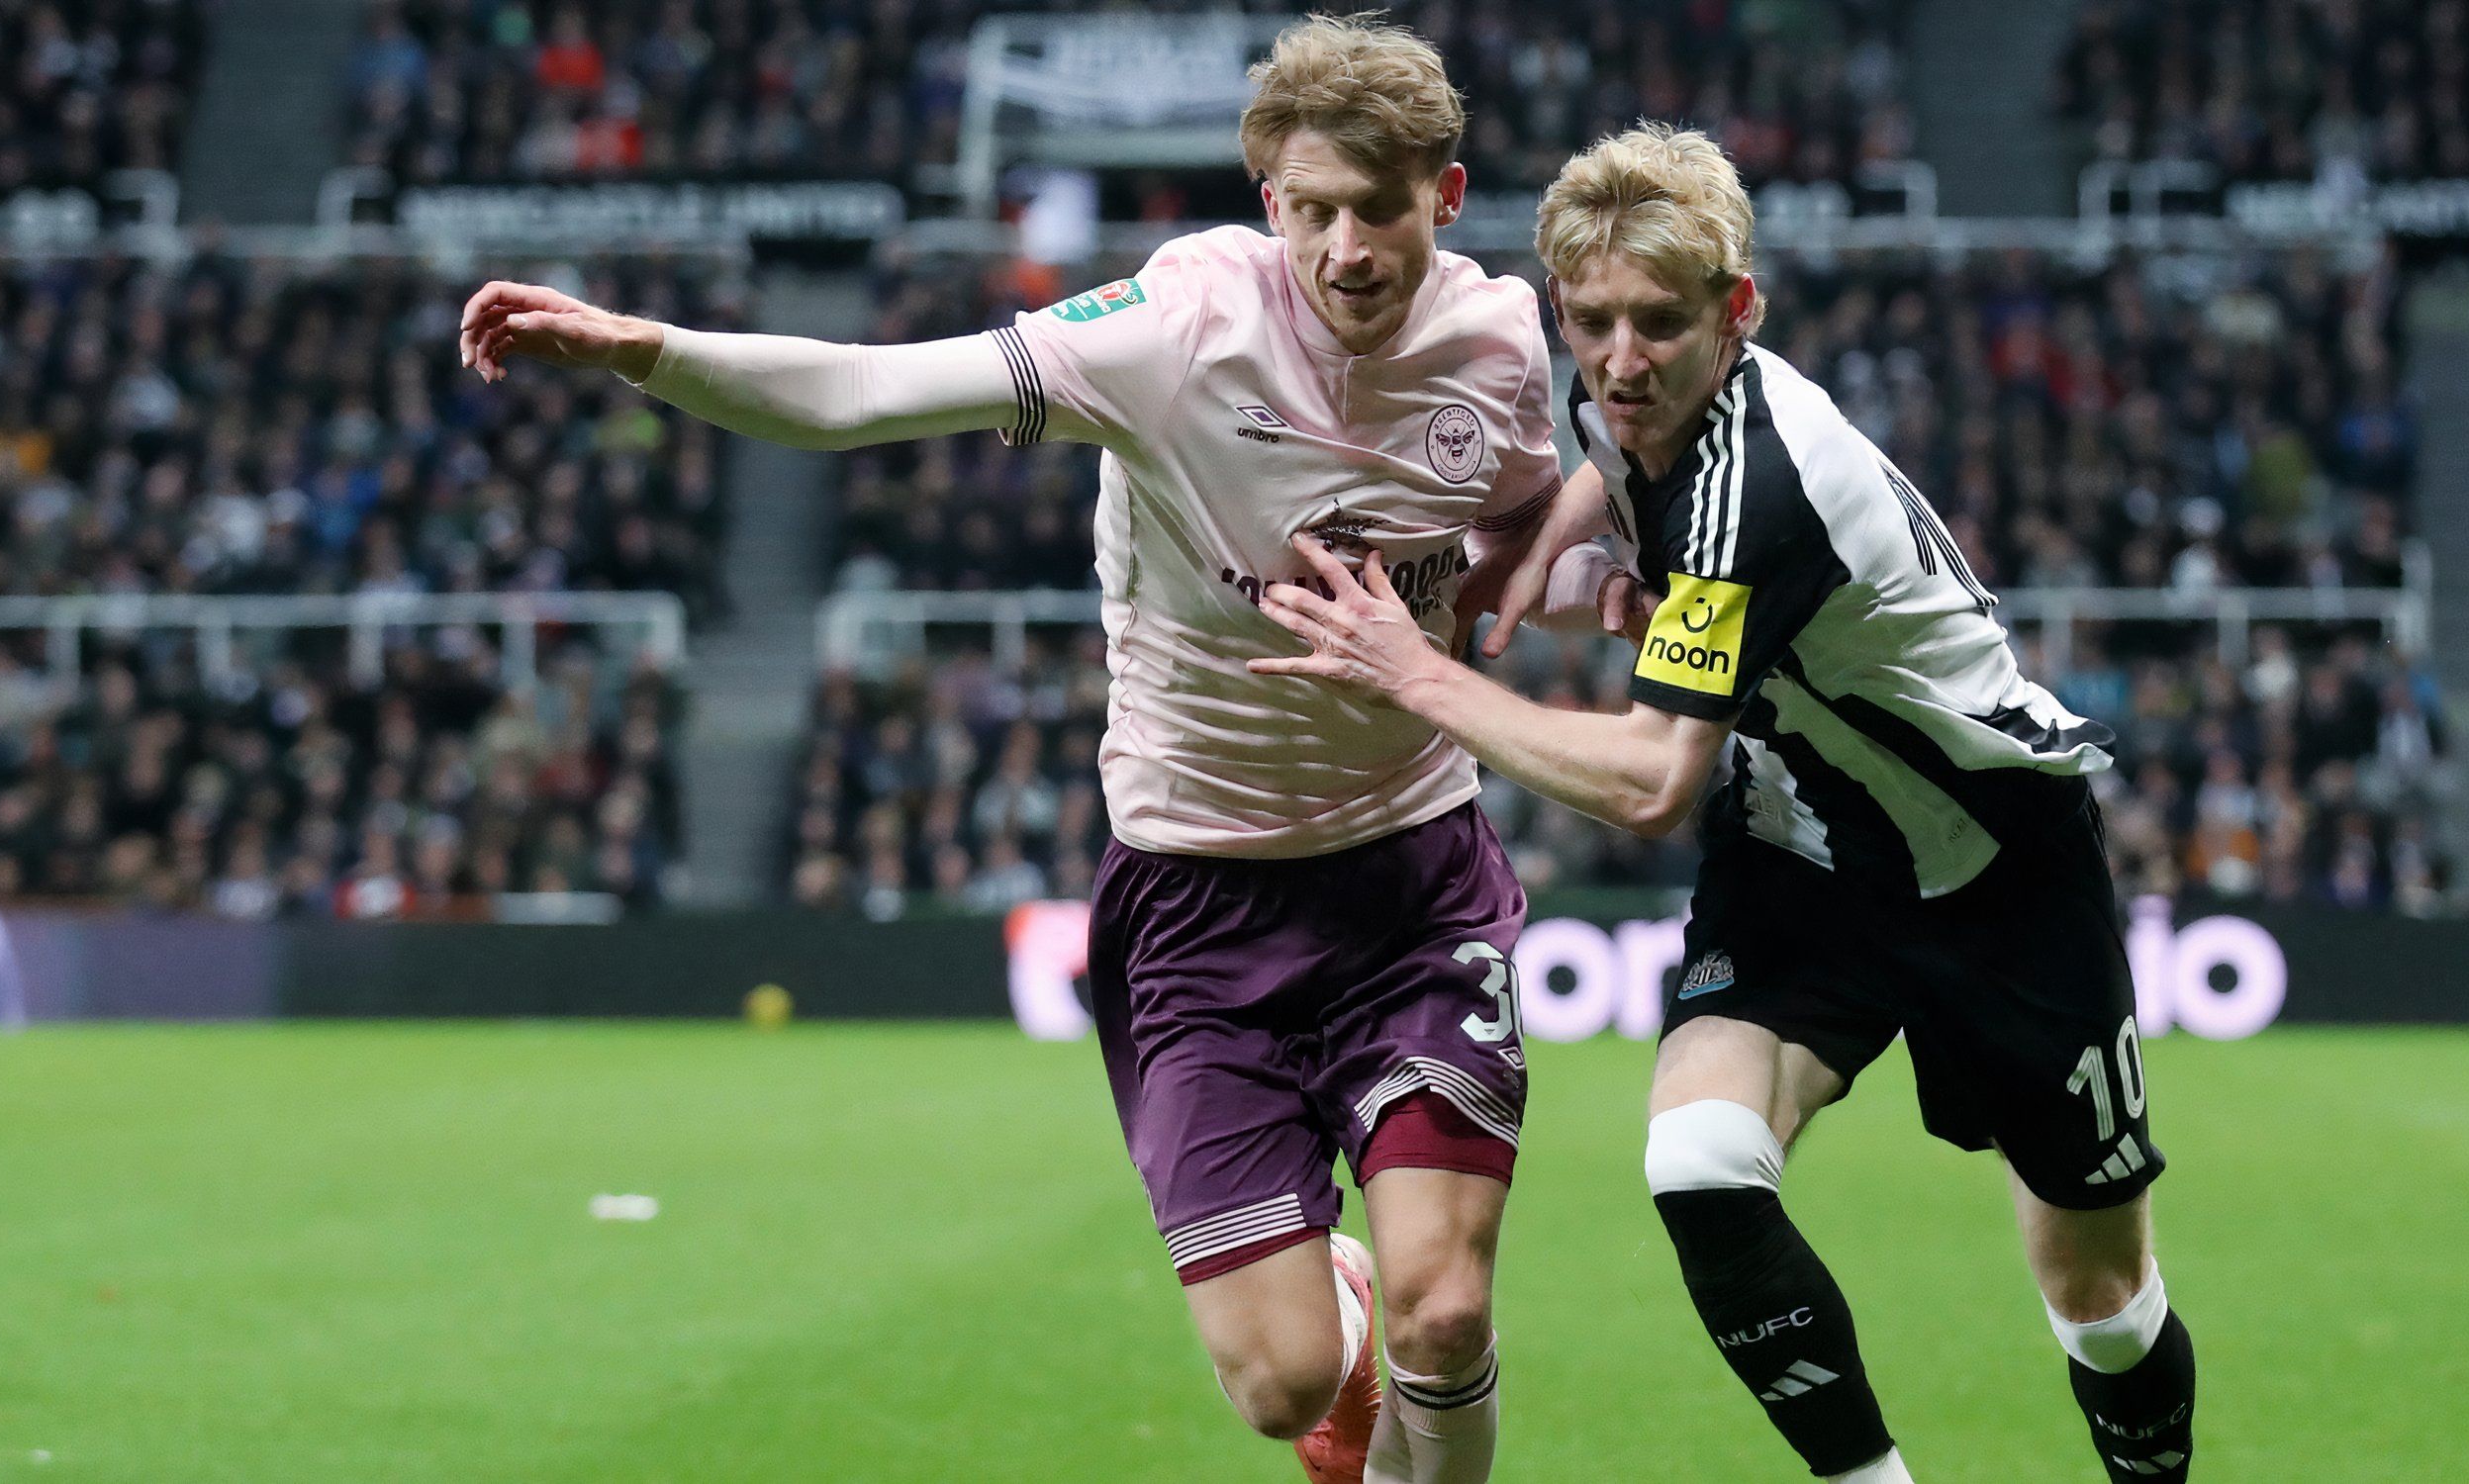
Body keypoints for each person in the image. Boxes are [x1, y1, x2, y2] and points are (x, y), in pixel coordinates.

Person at [458, 18, 1568, 1482]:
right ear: (1267, 202)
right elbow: (866, 392)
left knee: (1451, 1300)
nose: (1351, 249)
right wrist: (639, 351)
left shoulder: (1497, 340)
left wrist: (1513, 574)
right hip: (1200, 897)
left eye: (1383, 210)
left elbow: (1533, 501)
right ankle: (1335, 1311)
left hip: (1411, 870)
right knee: (1285, 1383)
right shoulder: (1171, 335)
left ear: (1447, 193)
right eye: (1316, 211)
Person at [1249, 126, 2199, 1483]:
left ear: (1737, 312)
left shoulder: (1766, 483)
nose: (1621, 361)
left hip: (1995, 865)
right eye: (1592, 323)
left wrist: (1416, 671)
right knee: (1700, 1163)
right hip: (1800, 842)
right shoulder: (1619, 395)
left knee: (2099, 1296)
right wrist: (1551, 538)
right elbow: (1609, 449)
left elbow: (1648, 781)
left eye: (1660, 325)